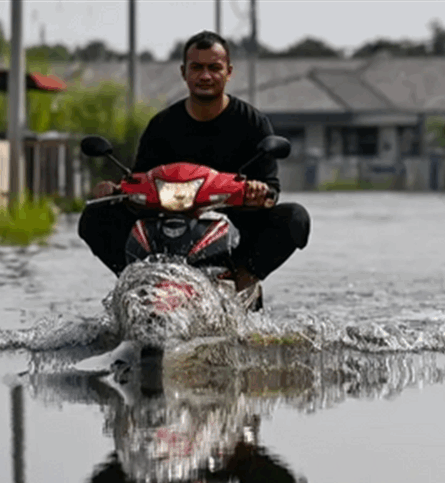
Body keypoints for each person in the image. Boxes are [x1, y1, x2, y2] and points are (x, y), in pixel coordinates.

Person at [78, 30, 311, 293]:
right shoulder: (162, 125)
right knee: (93, 217)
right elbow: (139, 182)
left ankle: (243, 279)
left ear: (228, 72)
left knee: (296, 217)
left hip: (234, 224)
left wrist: (259, 192)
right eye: (197, 67)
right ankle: (135, 279)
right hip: (166, 225)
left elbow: (271, 190)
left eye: (214, 67)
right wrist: (115, 190)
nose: (205, 75)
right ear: (184, 72)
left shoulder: (252, 123)